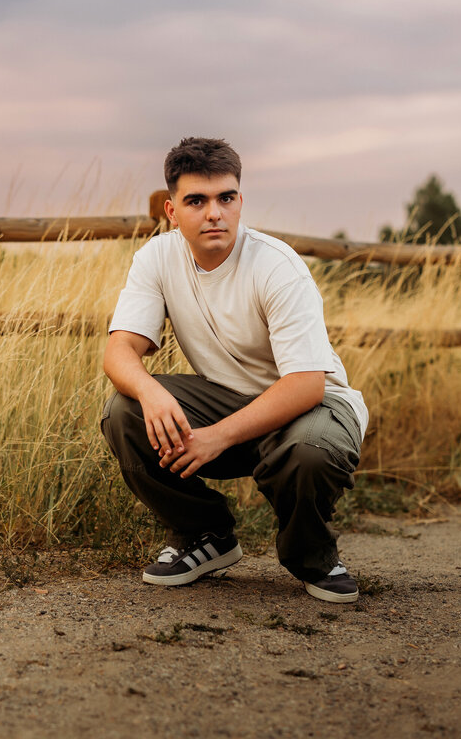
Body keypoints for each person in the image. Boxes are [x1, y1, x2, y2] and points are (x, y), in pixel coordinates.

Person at [99, 137, 368, 603]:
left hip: (313, 409)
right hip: (229, 401)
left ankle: (313, 556)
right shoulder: (156, 259)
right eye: (196, 201)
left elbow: (306, 386)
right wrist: (150, 391)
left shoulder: (277, 266)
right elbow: (118, 350)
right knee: (124, 412)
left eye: (226, 198)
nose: (214, 213)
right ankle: (206, 536)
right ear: (171, 210)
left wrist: (218, 436)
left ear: (240, 201)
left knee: (310, 449)